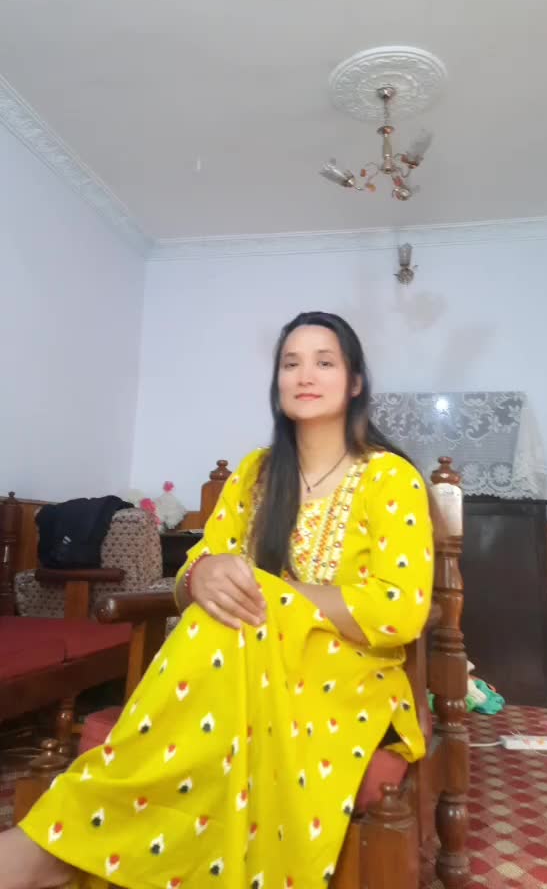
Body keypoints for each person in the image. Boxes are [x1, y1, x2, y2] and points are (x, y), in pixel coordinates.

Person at [2, 312, 434, 889]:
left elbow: (400, 610)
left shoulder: (390, 478)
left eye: (324, 362)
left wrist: (276, 595)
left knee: (243, 605)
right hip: (239, 658)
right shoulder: (255, 474)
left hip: (348, 674)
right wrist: (201, 577)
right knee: (222, 608)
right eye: (290, 363)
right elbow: (195, 569)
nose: (305, 375)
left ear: (355, 381)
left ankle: (54, 850)